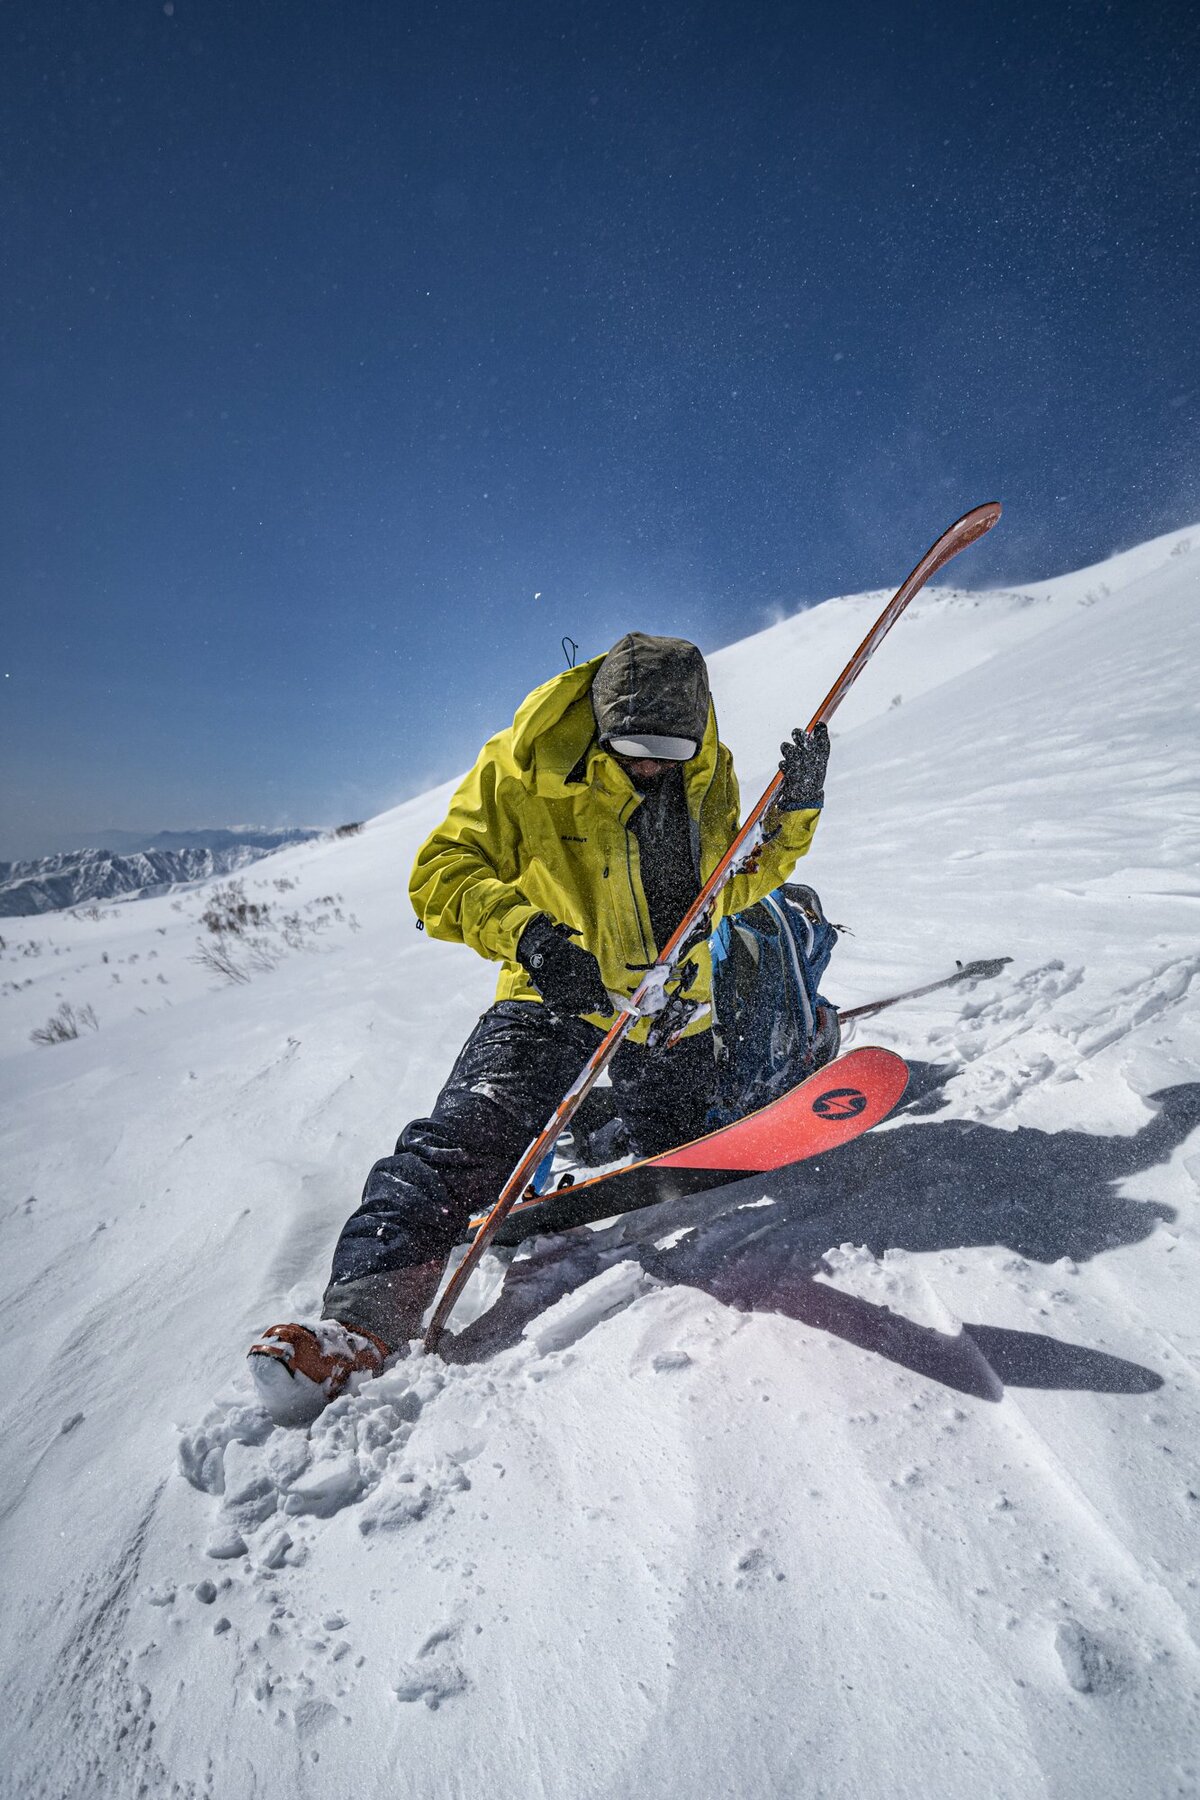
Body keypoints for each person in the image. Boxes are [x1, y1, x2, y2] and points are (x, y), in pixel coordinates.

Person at [249, 632, 830, 1422]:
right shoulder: (525, 767)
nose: (653, 764)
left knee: (684, 1137)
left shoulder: (706, 772)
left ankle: (649, 1093)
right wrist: (529, 935)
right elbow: (439, 873)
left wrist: (795, 815)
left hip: (669, 1011)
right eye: (634, 748)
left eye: (672, 748)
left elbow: (730, 887)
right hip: (553, 998)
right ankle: (357, 1322)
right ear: (598, 723)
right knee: (466, 1136)